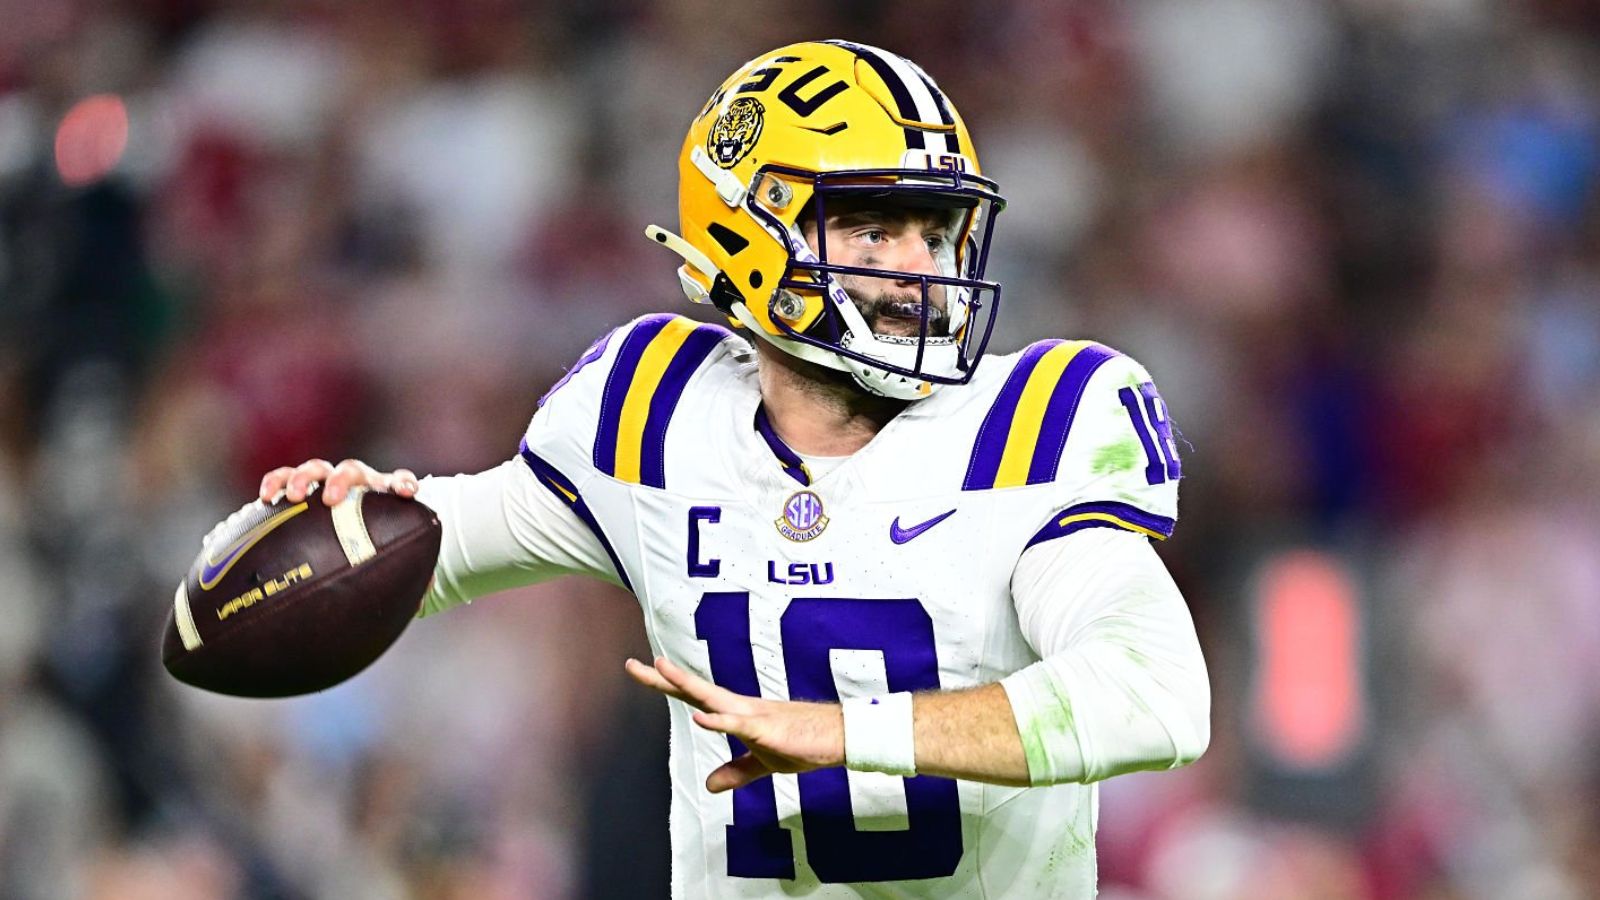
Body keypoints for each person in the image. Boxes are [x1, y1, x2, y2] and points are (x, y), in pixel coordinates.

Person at [256, 40, 1209, 898]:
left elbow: (1156, 694)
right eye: (875, 230)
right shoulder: (656, 414)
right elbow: (439, 545)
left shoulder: (1038, 425)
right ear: (752, 246)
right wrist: (345, 514)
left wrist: (847, 732)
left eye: (936, 229)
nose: (923, 267)